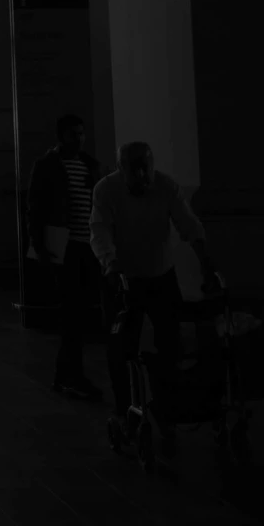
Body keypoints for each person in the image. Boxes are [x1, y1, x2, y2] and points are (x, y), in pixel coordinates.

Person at [89, 141, 218, 443]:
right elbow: (100, 229)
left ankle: (166, 404)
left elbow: (187, 223)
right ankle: (125, 409)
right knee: (121, 347)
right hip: (122, 278)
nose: (141, 176)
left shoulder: (165, 186)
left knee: (170, 343)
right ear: (121, 168)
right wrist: (110, 263)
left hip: (160, 274)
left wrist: (207, 263)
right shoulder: (106, 190)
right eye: (133, 170)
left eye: (145, 168)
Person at [26, 113, 105, 400]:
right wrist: (40, 246)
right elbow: (35, 209)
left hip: (88, 247)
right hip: (66, 249)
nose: (80, 139)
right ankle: (72, 374)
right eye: (74, 134)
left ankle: (66, 374)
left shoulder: (90, 166)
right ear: (61, 137)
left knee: (77, 313)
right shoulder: (47, 166)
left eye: (82, 133)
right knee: (74, 312)